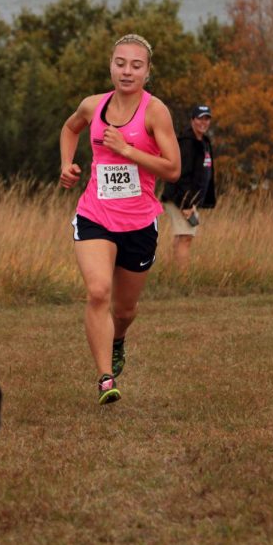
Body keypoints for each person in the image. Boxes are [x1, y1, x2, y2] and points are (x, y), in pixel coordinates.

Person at [60, 34, 180, 405]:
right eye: (120, 63)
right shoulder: (92, 105)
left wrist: (127, 150)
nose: (127, 71)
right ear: (111, 65)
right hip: (95, 215)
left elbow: (173, 169)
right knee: (98, 291)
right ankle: (105, 378)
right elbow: (70, 128)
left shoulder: (154, 111)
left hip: (140, 222)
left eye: (136, 65)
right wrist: (67, 164)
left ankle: (118, 339)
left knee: (125, 310)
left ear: (147, 72)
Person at [160, 104, 216, 271]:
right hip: (179, 199)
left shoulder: (204, 142)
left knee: (183, 235)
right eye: (200, 118)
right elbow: (181, 175)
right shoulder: (186, 143)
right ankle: (182, 276)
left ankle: (174, 273)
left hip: (190, 200)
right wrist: (186, 204)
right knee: (186, 237)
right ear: (192, 120)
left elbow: (204, 174)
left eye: (207, 119)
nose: (203, 122)